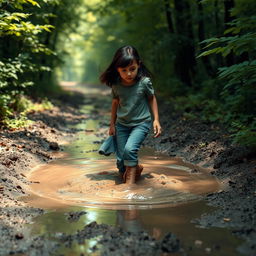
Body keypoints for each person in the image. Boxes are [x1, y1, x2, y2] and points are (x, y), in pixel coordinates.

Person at [100, 45, 161, 185]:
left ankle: (130, 188)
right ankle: (135, 168)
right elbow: (115, 103)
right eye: (124, 70)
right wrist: (112, 125)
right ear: (117, 69)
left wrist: (156, 120)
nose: (129, 74)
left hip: (141, 123)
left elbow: (152, 98)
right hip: (122, 125)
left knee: (129, 150)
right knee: (121, 163)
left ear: (138, 65)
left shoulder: (144, 82)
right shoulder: (116, 86)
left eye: (132, 69)